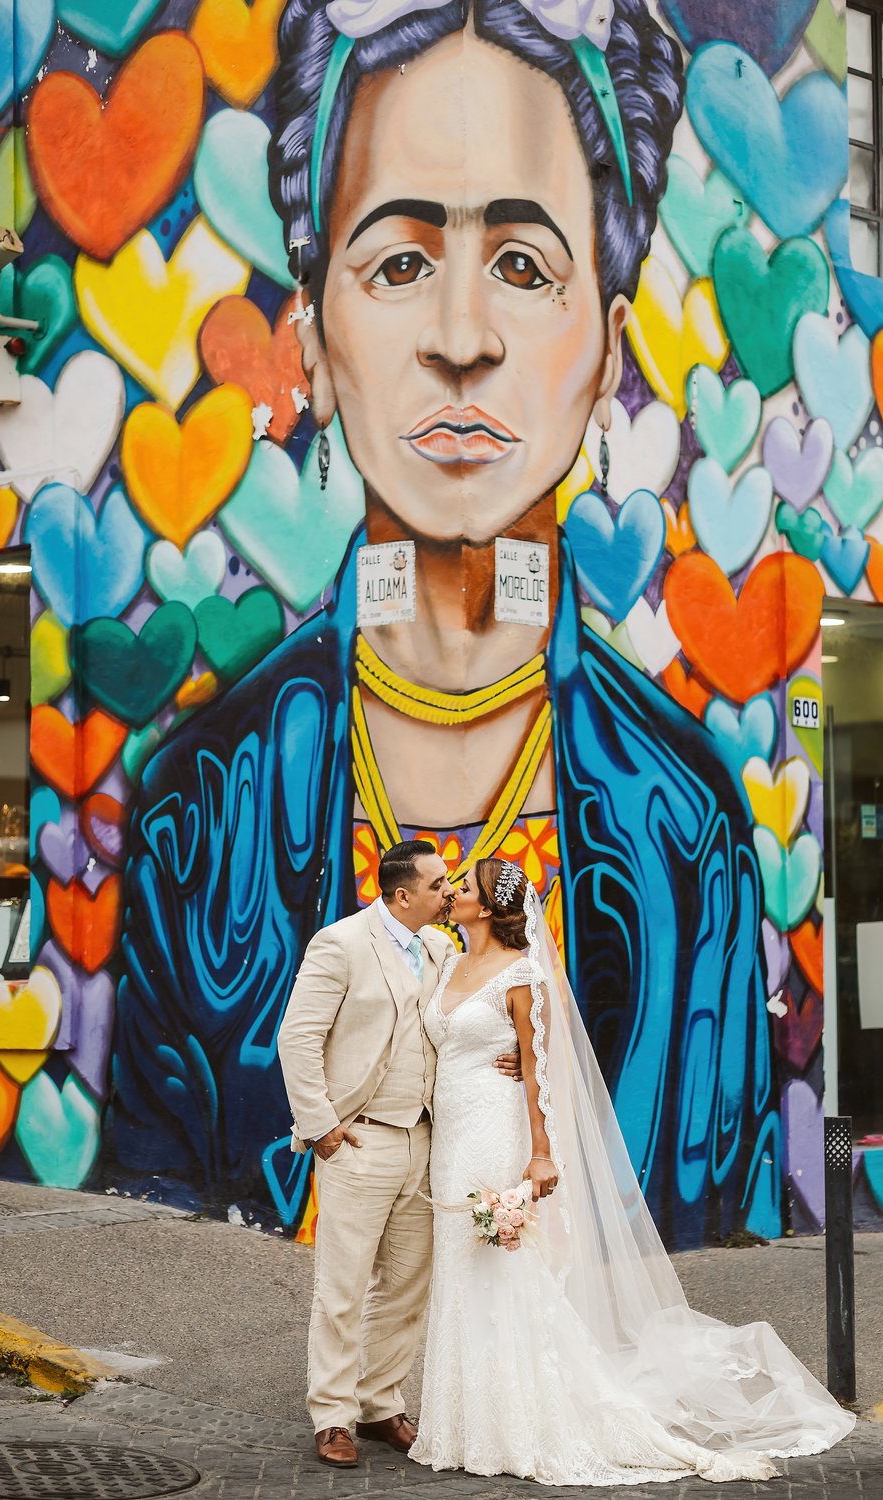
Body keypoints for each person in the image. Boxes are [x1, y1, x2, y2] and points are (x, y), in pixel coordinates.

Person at [114, 0, 774, 1250]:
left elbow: (721, 1173)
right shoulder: (198, 803)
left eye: (524, 268)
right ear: (312, 339)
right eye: (400, 262)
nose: (463, 341)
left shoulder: (685, 820)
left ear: (608, 353)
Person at [411, 858, 855, 1484]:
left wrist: (541, 1154)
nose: (452, 891)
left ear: (486, 908)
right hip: (451, 1136)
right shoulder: (446, 959)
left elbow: (540, 1069)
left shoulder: (524, 974)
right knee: (461, 1266)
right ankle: (462, 1423)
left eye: (464, 887)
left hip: (495, 1132)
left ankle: (517, 1422)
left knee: (505, 1265)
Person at [276, 838, 521, 1465]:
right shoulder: (340, 944)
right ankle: (331, 1415)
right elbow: (297, 1039)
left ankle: (380, 1403)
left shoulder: (443, 948)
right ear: (402, 893)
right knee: (343, 1285)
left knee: (409, 1284)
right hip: (359, 1137)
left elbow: (482, 1013)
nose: (450, 892)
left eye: (452, 885)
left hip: (429, 1141)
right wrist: (322, 1127)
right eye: (441, 885)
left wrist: (519, 1052)